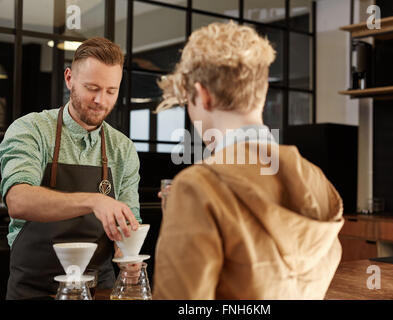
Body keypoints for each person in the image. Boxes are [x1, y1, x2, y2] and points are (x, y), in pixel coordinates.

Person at [152, 21, 344, 300]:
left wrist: (181, 222)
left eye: (188, 103)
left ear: (203, 95)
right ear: (263, 92)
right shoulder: (316, 179)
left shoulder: (197, 187)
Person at [0, 37, 141, 300]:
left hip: (100, 288)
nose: (101, 100)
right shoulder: (31, 130)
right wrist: (94, 201)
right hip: (34, 289)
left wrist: (127, 251)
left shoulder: (122, 148)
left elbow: (129, 220)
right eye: (92, 88)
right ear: (69, 79)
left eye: (111, 91)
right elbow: (18, 201)